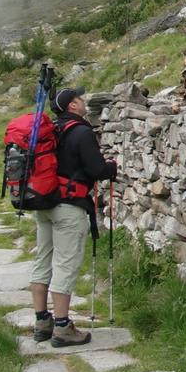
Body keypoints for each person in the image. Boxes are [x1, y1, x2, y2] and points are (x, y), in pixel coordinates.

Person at [29, 86, 116, 347]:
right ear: (72, 106)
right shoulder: (81, 132)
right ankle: (63, 327)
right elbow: (96, 169)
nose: (83, 100)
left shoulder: (50, 131)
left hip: (44, 204)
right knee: (65, 265)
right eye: (79, 98)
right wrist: (111, 167)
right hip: (69, 207)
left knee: (42, 261)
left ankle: (42, 321)